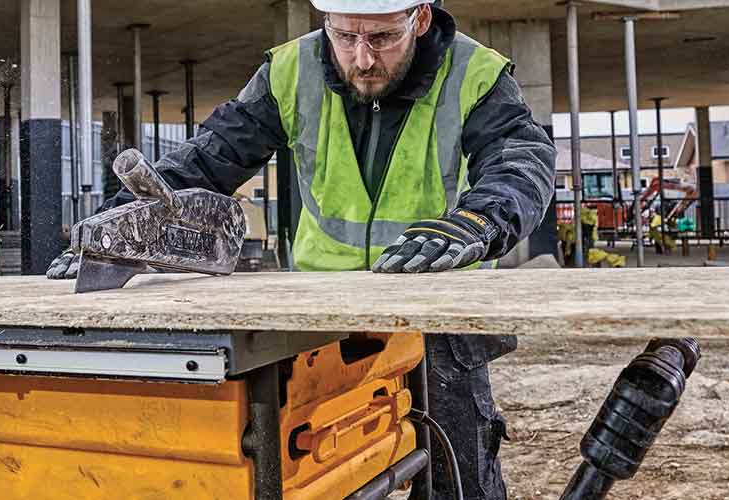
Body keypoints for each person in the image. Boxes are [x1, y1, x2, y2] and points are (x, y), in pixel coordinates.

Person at [48, 1, 554, 497]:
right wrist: (113, 230)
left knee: (457, 474)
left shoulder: (475, 72)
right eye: (345, 36)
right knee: (314, 469)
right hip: (321, 316)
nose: (362, 58)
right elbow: (206, 160)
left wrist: (475, 222)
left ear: (420, 18)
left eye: (381, 38)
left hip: (437, 308)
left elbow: (520, 160)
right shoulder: (290, 70)